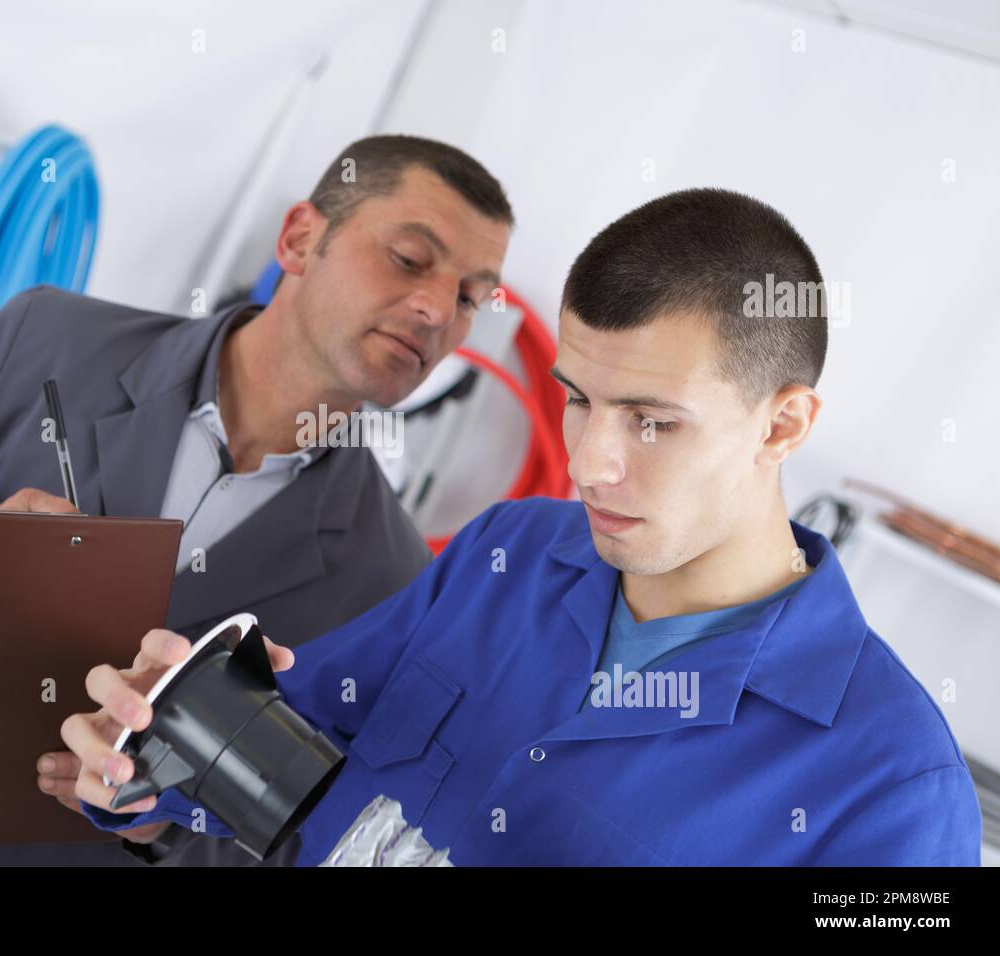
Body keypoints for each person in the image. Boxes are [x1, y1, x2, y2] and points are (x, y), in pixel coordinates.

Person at [69, 189, 982, 865]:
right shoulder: (507, 555)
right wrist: (150, 747)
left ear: (781, 425)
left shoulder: (895, 789)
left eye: (652, 420)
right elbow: (282, 757)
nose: (589, 463)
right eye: (579, 401)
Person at [0, 135, 513, 867]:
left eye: (473, 296)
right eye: (410, 259)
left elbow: (291, 839)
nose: (438, 312)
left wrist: (156, 827)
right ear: (301, 238)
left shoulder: (393, 580)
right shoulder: (49, 338)